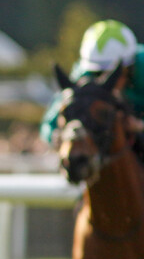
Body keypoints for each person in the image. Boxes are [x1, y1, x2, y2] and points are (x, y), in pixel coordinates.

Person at [40, 19, 144, 160]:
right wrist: (56, 137)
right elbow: (50, 123)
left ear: (130, 66)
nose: (107, 81)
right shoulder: (83, 74)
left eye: (114, 74)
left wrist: (140, 126)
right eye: (98, 74)